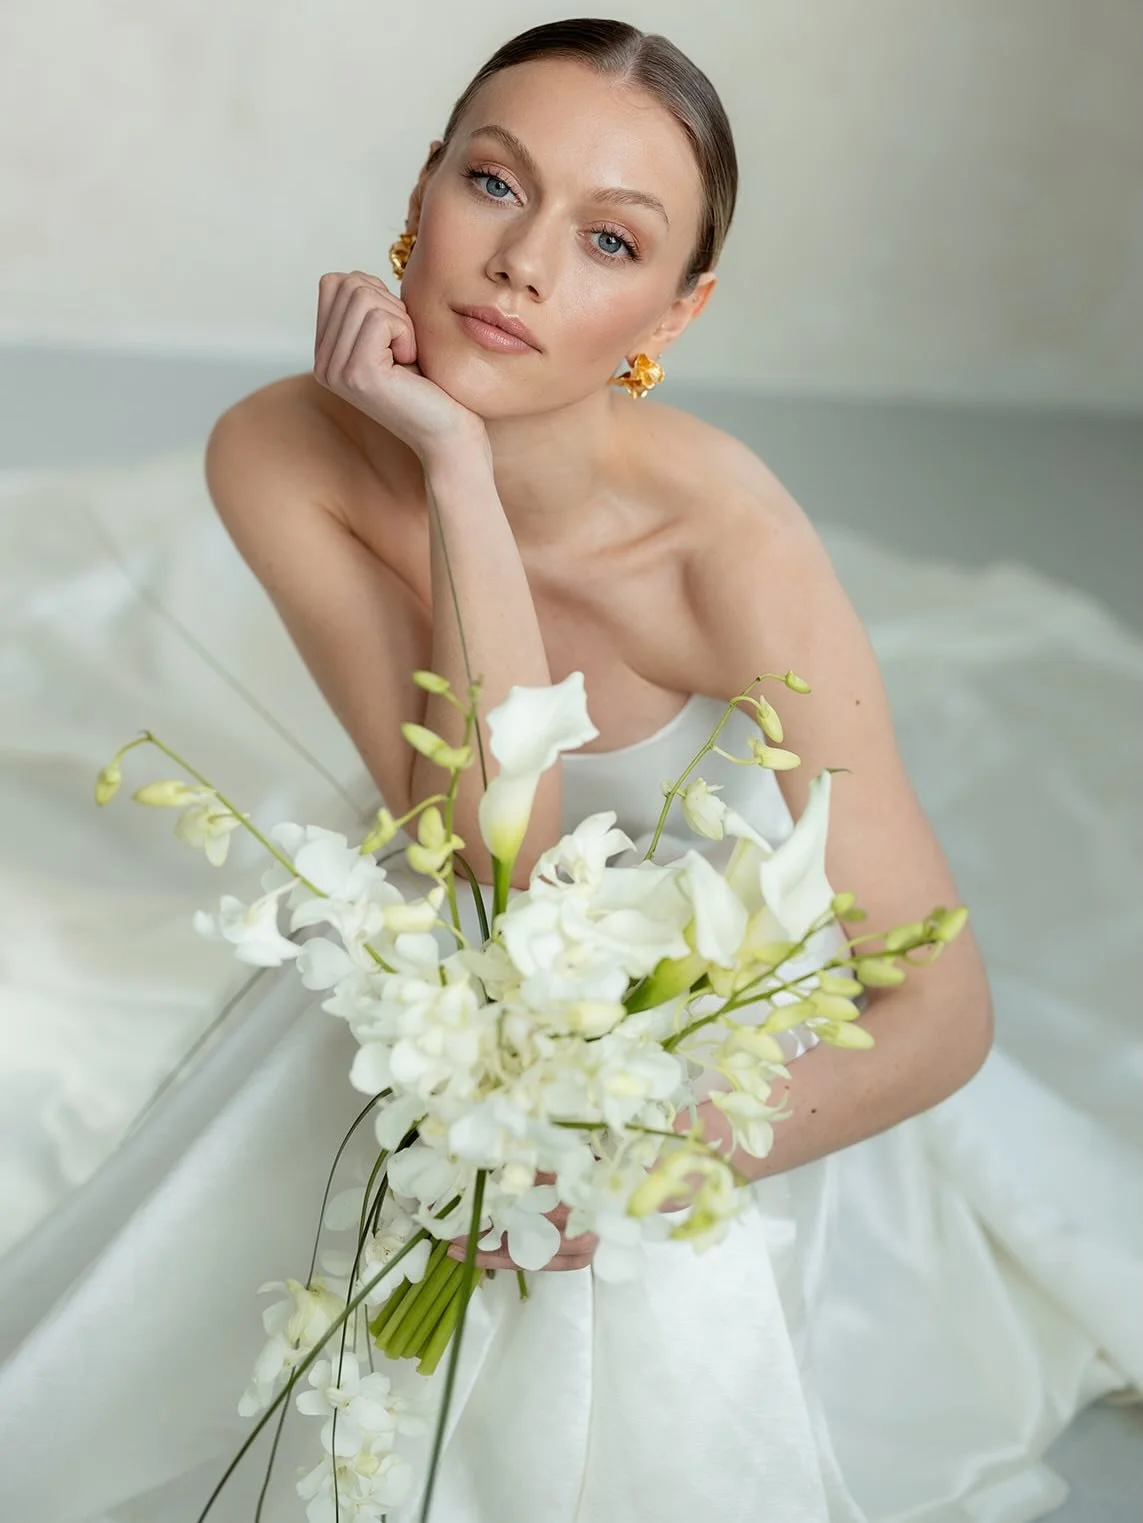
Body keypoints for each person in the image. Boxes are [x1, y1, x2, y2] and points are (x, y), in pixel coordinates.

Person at [0, 18, 1136, 1523]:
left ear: (678, 306)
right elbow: (483, 851)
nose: (523, 263)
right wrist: (454, 471)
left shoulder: (726, 547)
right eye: (492, 184)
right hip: (459, 968)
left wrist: (644, 1155)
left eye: (609, 238)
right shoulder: (279, 449)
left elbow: (938, 1002)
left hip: (715, 1052)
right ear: (420, 193)